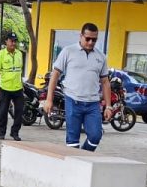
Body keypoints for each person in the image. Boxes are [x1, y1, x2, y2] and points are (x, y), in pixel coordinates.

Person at [43, 23, 112, 151]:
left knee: (96, 136)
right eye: (88, 38)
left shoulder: (101, 57)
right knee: (72, 139)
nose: (91, 42)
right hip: (72, 100)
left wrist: (108, 106)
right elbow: (55, 74)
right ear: (81, 36)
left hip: (92, 104)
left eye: (94, 39)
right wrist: (49, 99)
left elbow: (105, 82)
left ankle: (83, 157)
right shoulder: (68, 51)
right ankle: (74, 165)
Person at [0, 32, 25, 141]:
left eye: (15, 41)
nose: (13, 43)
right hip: (5, 87)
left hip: (18, 88)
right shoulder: (1, 54)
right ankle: (1, 132)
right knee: (3, 111)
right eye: (11, 40)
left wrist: (22, 84)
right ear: (6, 41)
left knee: (20, 111)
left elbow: (19, 71)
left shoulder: (19, 54)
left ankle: (15, 132)